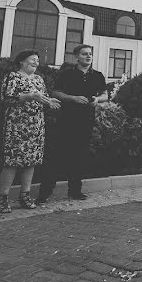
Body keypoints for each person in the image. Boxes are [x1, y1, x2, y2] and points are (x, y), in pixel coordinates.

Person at [37, 44, 107, 204]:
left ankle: (75, 191)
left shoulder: (98, 75)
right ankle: (45, 193)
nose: (88, 57)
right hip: (66, 121)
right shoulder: (67, 74)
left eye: (90, 54)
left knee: (80, 157)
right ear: (77, 57)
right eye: (84, 54)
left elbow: (105, 95)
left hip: (86, 121)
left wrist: (98, 99)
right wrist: (72, 98)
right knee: (57, 156)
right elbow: (55, 93)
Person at [0, 50, 60, 213]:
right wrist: (29, 96)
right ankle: (3, 198)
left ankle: (25, 195)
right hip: (17, 124)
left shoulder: (39, 79)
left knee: (32, 160)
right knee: (11, 161)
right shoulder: (13, 77)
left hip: (35, 124)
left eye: (37, 60)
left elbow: (43, 97)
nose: (36, 63)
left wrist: (49, 100)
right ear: (22, 62)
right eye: (32, 60)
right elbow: (7, 98)